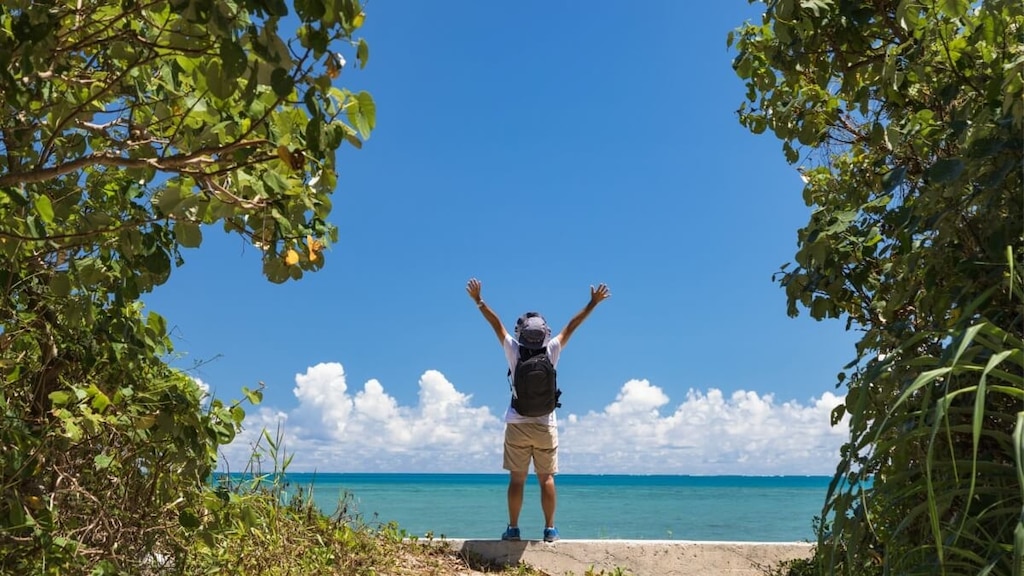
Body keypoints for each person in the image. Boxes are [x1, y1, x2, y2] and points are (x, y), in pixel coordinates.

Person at [466, 277, 611, 543]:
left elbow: (495, 324)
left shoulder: (513, 350)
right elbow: (572, 326)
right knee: (546, 479)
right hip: (546, 425)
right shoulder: (552, 349)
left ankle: (513, 529)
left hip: (517, 424)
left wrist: (479, 301)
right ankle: (550, 530)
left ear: (521, 333)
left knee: (517, 480)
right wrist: (592, 304)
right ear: (544, 334)